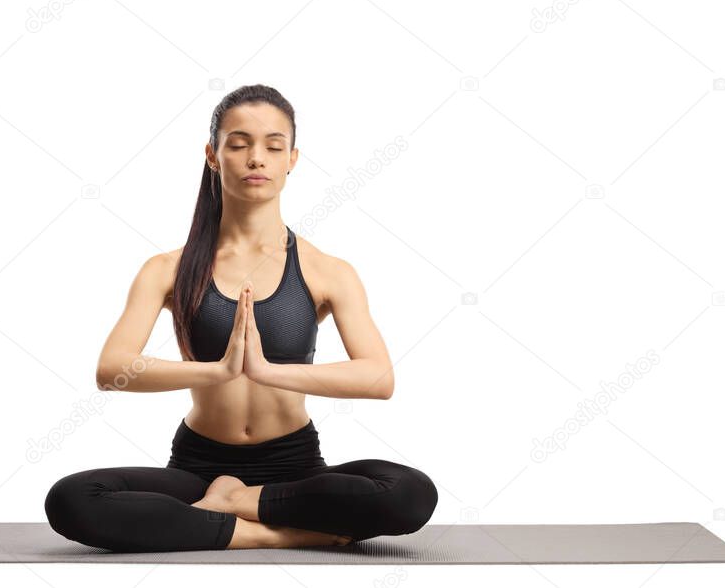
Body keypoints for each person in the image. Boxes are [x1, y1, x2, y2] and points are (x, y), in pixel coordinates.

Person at [44, 84, 438, 552]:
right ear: (213, 155)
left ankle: (236, 503)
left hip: (294, 469)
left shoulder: (327, 271)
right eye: (238, 144)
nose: (257, 158)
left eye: (273, 146)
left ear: (292, 158)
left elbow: (378, 378)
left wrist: (268, 371)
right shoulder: (166, 269)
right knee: (72, 499)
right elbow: (112, 370)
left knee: (409, 493)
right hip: (198, 469)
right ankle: (279, 533)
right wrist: (220, 369)